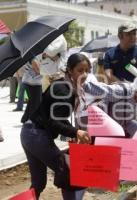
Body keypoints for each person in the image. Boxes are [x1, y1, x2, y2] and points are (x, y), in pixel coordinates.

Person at [81, 72, 137, 188]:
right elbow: (95, 88)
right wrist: (76, 83)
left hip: (125, 123)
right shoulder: (120, 91)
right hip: (106, 126)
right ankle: (119, 175)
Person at [20, 53, 91, 199]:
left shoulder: (63, 85)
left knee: (38, 182)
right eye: (80, 70)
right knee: (70, 172)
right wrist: (76, 132)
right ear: (70, 70)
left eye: (87, 70)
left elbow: (57, 119)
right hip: (37, 135)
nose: (84, 74)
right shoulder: (65, 90)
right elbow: (55, 122)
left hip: (28, 133)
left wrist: (74, 132)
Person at [20, 59, 43, 123]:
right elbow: (38, 71)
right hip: (34, 83)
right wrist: (47, 71)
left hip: (30, 82)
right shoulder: (33, 59)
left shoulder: (28, 58)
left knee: (32, 101)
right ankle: (32, 119)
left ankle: (25, 118)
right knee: (36, 102)